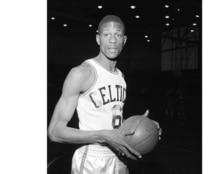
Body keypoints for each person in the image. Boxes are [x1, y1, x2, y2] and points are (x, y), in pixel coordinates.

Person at [48, 15, 161, 174]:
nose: (113, 40)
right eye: (107, 34)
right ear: (98, 38)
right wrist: (103, 136)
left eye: (118, 35)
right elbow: (55, 132)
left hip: (119, 158)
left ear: (124, 40)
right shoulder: (82, 73)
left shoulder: (121, 77)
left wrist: (142, 125)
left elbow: (110, 120)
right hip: (91, 161)